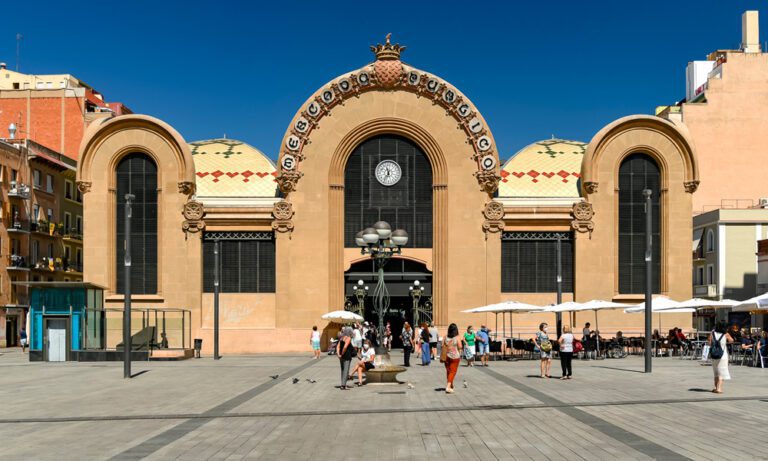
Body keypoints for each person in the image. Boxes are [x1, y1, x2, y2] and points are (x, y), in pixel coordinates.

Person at [708, 322, 733, 394]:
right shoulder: (726, 334)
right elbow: (731, 341)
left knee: (716, 372)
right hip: (723, 356)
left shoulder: (712, 333)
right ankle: (719, 389)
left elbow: (709, 343)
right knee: (721, 372)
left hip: (713, 355)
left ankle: (715, 387)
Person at [442, 323, 464, 394]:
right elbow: (460, 346)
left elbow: (442, 345)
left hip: (446, 356)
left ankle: (451, 385)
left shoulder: (445, 337)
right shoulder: (457, 337)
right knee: (453, 371)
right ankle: (448, 387)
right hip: (455, 357)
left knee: (448, 371)